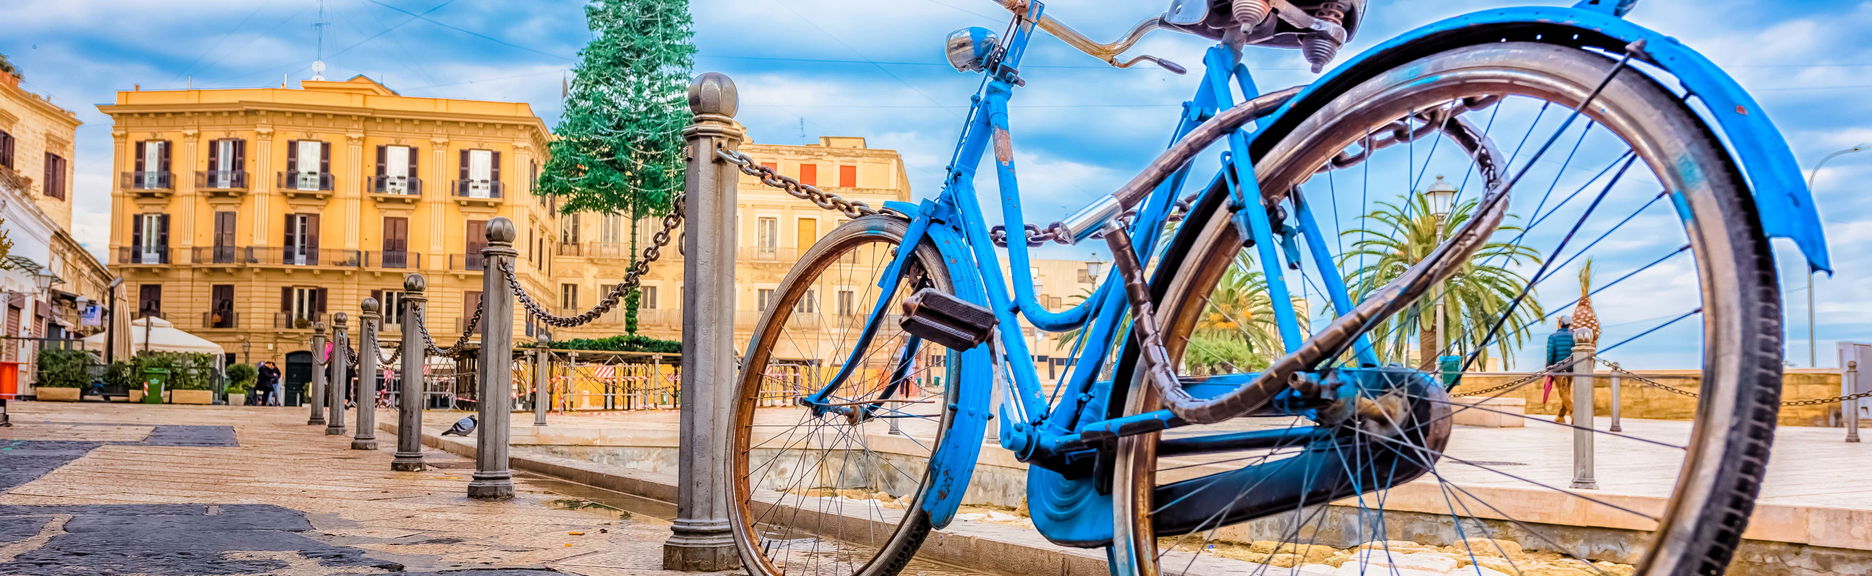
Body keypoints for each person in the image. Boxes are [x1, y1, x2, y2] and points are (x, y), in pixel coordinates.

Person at [1544, 316, 1577, 424]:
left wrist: (1549, 367)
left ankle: (1574, 413)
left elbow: (1550, 353)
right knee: (1566, 391)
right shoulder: (1573, 335)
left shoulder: (1553, 337)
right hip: (1571, 368)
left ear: (1560, 323)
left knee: (1563, 392)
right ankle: (1560, 416)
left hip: (1558, 369)